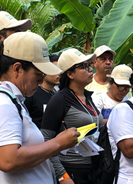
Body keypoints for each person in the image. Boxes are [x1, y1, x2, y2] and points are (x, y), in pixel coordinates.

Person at [0, 32, 80, 183]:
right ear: (17, 69)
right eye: (38, 73)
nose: (41, 79)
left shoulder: (12, 99)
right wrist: (58, 143)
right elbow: (7, 160)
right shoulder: (1, 101)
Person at [40, 48, 103, 184]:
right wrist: (63, 177)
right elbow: (46, 139)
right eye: (84, 66)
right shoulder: (60, 99)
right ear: (70, 74)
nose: (90, 69)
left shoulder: (88, 97)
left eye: (89, 65)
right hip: (71, 169)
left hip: (92, 169)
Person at [24, 54, 60, 129]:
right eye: (55, 69)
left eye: (60, 70)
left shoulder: (58, 95)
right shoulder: (31, 94)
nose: (59, 74)